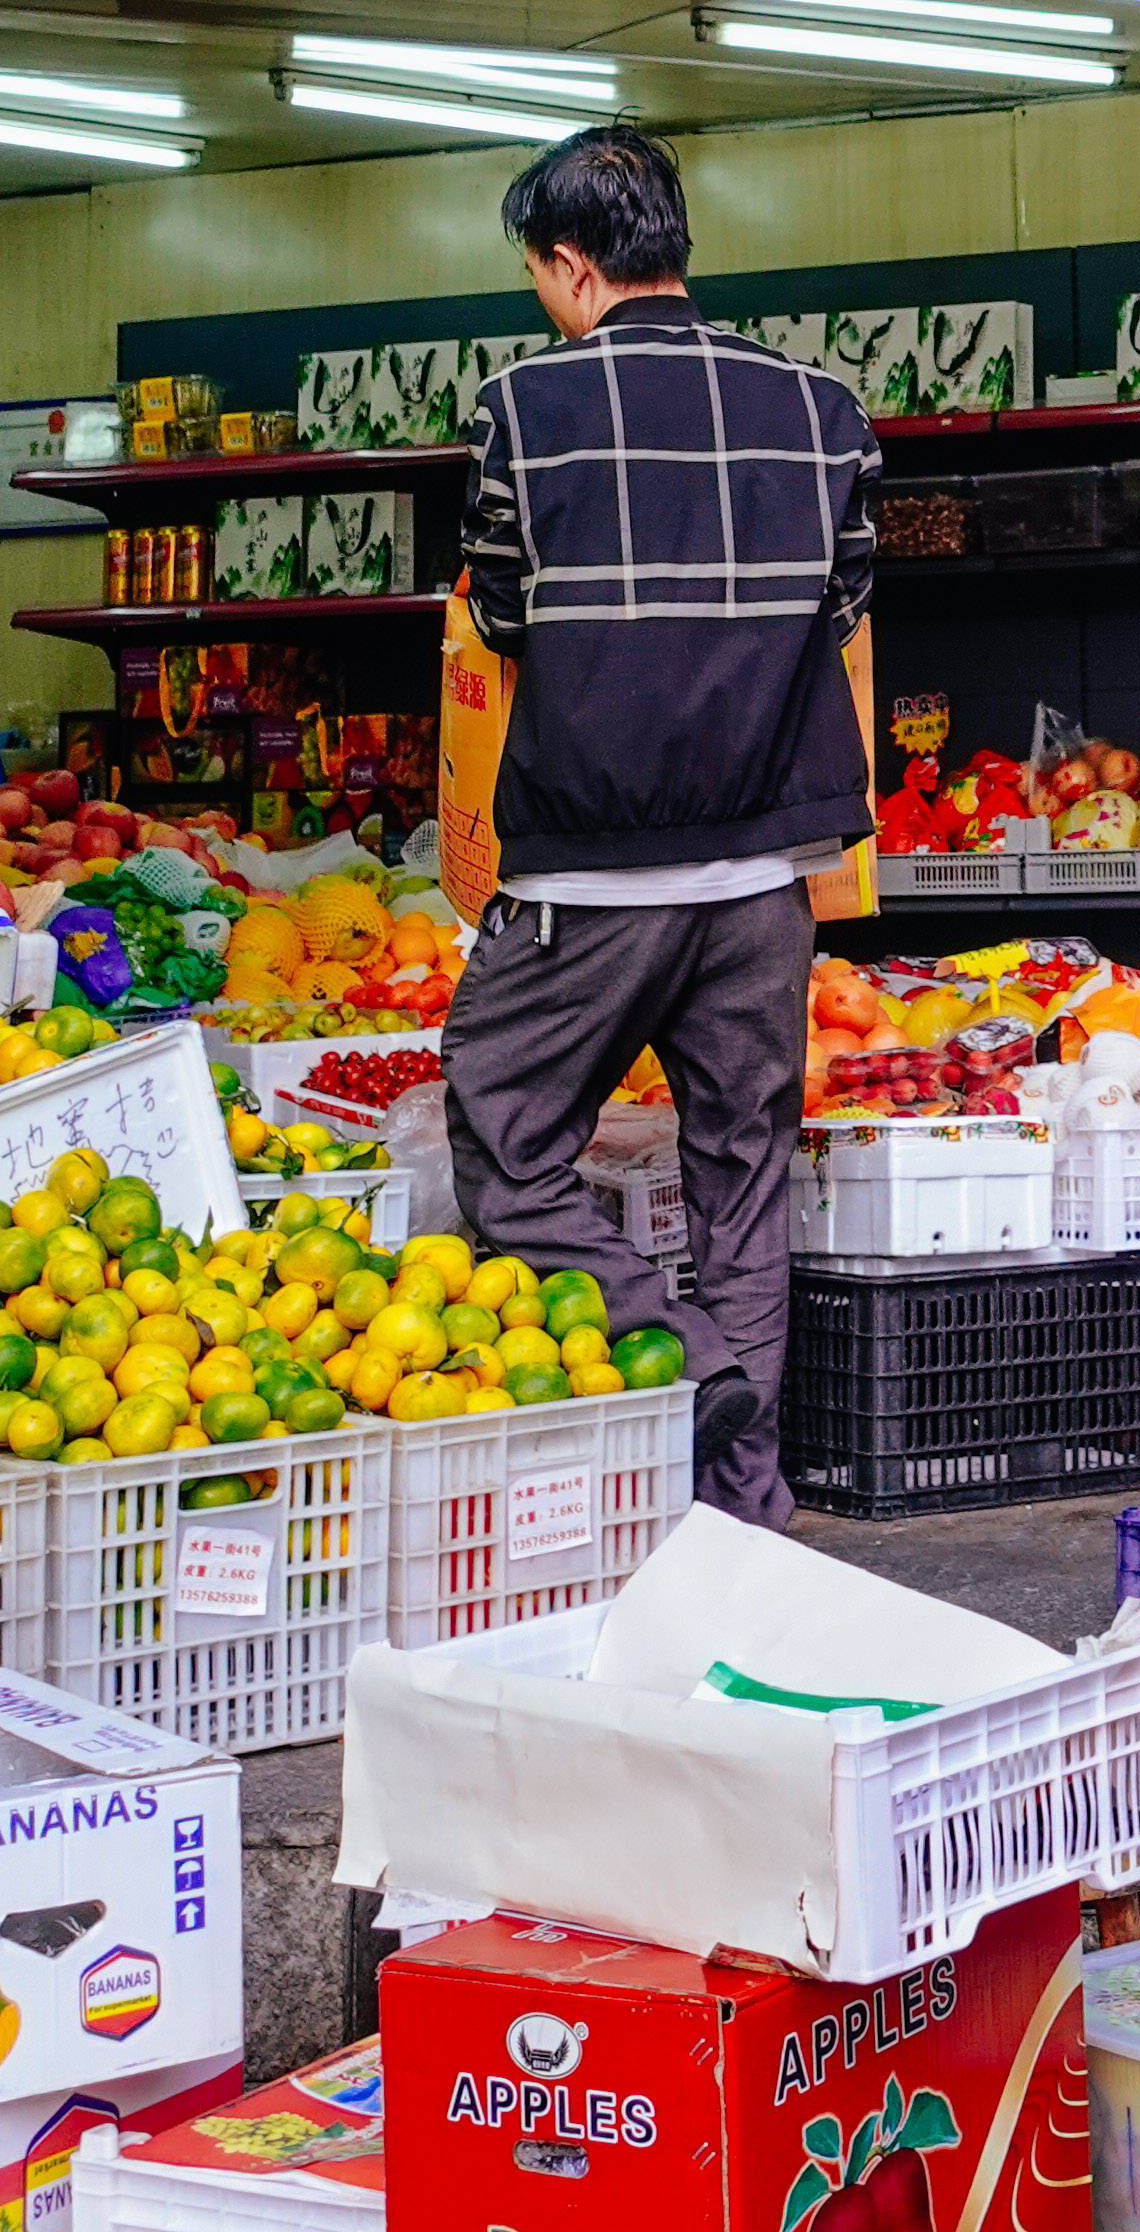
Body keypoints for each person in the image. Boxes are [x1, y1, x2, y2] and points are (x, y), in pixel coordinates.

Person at [435, 123, 878, 1522]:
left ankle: (682, 1356)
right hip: (766, 877)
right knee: (743, 1181)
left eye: (536, 276)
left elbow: (501, 610)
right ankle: (748, 1511)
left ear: (571, 268)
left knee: (506, 1140)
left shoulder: (524, 410)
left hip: (593, 875)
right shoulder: (825, 408)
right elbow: (848, 601)